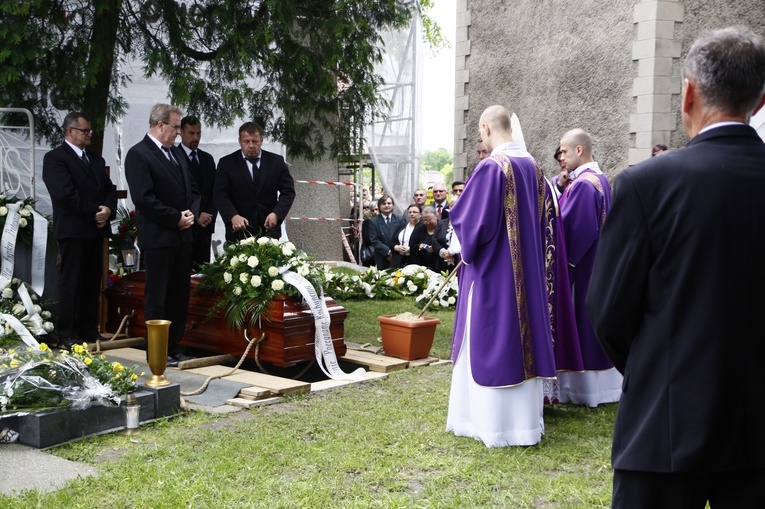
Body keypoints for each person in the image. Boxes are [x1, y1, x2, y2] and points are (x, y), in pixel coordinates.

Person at [587, 26, 765, 508]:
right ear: (760, 100)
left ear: (687, 93)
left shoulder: (648, 184)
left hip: (663, 428)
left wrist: (656, 369)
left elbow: (607, 312)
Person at [446, 105, 556, 447]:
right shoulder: (535, 168)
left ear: (486, 127)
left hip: (494, 274)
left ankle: (487, 424)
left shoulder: (491, 167)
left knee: (489, 338)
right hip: (528, 276)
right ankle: (523, 425)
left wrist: (461, 245)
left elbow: (470, 225)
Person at [125, 103, 200, 367]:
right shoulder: (139, 154)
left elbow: (192, 188)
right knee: (158, 296)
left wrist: (190, 213)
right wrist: (175, 218)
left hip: (182, 236)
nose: (179, 132)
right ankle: (156, 350)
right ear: (160, 125)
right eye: (176, 126)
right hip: (159, 237)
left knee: (179, 294)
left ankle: (175, 344)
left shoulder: (176, 154)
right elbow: (144, 199)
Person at [555, 128, 621, 407]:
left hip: (582, 268)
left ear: (579, 150)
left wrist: (560, 262)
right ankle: (603, 387)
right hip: (599, 264)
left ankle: (583, 390)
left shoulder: (583, 185)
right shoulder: (601, 179)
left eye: (565, 152)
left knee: (582, 324)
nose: (562, 158)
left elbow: (573, 230)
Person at [42, 112, 117, 349]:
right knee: (71, 282)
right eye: (85, 131)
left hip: (95, 230)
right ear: (70, 131)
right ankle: (67, 331)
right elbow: (65, 194)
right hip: (74, 229)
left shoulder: (94, 159)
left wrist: (107, 208)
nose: (89, 135)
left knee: (91, 282)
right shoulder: (56, 158)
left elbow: (109, 188)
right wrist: (93, 211)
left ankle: (89, 328)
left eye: (90, 131)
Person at [214, 122, 295, 241]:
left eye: (255, 141)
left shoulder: (276, 162)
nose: (251, 145)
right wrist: (233, 216)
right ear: (239, 141)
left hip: (269, 230)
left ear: (261, 140)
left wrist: (276, 214)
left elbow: (288, 192)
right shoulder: (226, 163)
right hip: (239, 231)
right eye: (246, 141)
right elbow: (220, 194)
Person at [178, 116, 217, 270]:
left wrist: (209, 214)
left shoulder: (207, 159)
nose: (195, 138)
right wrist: (197, 214)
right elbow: (179, 192)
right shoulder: (175, 156)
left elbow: (215, 191)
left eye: (198, 134)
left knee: (202, 271)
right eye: (191, 133)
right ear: (181, 132)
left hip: (206, 226)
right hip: (185, 225)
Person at [367, 194, 402, 270]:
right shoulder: (374, 221)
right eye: (384, 204)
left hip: (397, 256)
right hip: (381, 257)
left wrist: (394, 250)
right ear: (379, 206)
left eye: (389, 203)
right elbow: (374, 240)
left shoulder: (400, 219)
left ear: (393, 205)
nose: (386, 205)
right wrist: (388, 252)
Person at [389, 203, 421, 269]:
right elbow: (392, 241)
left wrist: (410, 249)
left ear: (420, 214)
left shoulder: (422, 227)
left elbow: (422, 244)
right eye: (410, 212)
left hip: (414, 261)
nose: (412, 214)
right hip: (398, 260)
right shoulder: (402, 226)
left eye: (414, 212)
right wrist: (396, 247)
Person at [409, 205, 439, 270]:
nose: (427, 223)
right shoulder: (419, 229)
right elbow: (412, 245)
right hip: (421, 265)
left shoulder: (442, 227)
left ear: (436, 216)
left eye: (429, 220)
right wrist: (419, 246)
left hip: (438, 264)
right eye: (425, 220)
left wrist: (436, 249)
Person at [360, 200, 379, 267]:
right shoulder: (367, 223)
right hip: (371, 254)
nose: (375, 212)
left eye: (377, 209)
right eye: (372, 210)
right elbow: (366, 239)